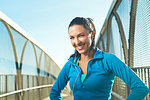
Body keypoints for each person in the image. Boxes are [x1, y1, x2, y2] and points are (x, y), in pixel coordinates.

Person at [50, 17, 149, 100]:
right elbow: (54, 92)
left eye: (81, 35)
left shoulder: (108, 60)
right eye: (72, 37)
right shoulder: (70, 65)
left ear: (92, 34)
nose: (77, 42)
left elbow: (140, 88)